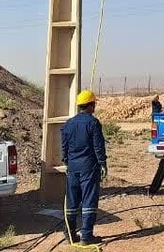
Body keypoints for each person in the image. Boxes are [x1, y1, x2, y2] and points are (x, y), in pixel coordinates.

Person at [61, 90, 108, 245]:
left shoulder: (68, 123)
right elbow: (98, 146)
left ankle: (70, 233)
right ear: (90, 105)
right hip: (89, 167)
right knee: (88, 201)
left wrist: (67, 162)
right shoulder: (93, 123)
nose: (95, 106)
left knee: (72, 202)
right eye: (94, 103)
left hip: (73, 168)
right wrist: (102, 163)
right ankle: (86, 237)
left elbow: (64, 147)